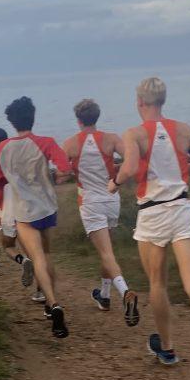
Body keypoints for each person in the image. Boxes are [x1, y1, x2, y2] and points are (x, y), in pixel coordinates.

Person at [109, 77, 190, 380]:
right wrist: (180, 168)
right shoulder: (185, 130)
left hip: (152, 215)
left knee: (158, 284)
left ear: (139, 103)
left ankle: (167, 348)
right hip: (182, 209)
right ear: (163, 101)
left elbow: (130, 169)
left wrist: (114, 183)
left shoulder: (134, 134)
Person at [0, 97, 74, 338]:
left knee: (36, 257)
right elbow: (65, 168)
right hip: (47, 207)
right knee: (47, 254)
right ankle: (49, 305)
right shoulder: (46, 142)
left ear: (12, 122)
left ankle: (54, 303)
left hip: (24, 211)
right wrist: (58, 178)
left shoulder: (4, 147)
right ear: (33, 117)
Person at [62, 99, 139, 327]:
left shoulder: (70, 144)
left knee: (106, 254)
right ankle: (104, 297)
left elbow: (61, 171)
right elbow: (131, 159)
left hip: (90, 202)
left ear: (78, 120)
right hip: (111, 198)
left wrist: (72, 172)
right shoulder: (112, 139)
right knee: (107, 251)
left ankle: (126, 293)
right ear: (97, 117)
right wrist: (115, 175)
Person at [0, 128, 41, 298]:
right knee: (33, 250)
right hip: (28, 207)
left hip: (8, 209)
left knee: (8, 246)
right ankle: (41, 291)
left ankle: (23, 261)